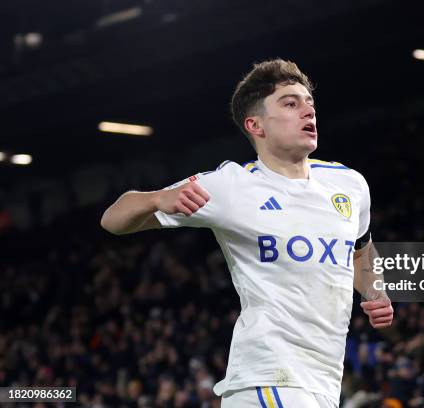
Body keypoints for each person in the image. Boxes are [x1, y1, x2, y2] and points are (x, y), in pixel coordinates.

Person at [100, 58, 393, 408]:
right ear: (255, 125)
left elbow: (360, 249)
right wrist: (160, 198)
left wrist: (375, 291)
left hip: (323, 381)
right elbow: (113, 219)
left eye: (308, 102)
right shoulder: (231, 187)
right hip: (268, 378)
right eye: (290, 103)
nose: (307, 111)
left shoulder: (349, 184)